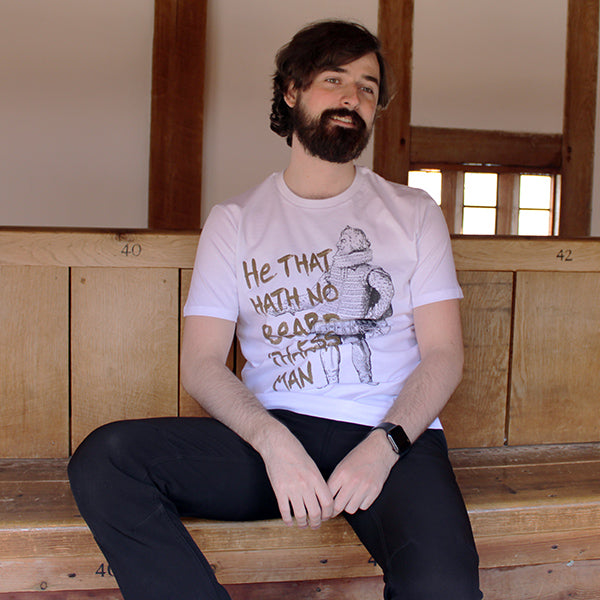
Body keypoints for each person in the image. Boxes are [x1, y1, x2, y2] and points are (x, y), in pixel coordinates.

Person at [68, 20, 483, 600]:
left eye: (367, 87)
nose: (352, 97)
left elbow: (444, 356)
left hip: (391, 438)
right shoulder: (235, 220)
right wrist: (274, 442)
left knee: (443, 588)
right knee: (105, 461)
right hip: (272, 435)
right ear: (291, 91)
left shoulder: (412, 212)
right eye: (333, 79)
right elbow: (203, 363)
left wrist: (384, 446)